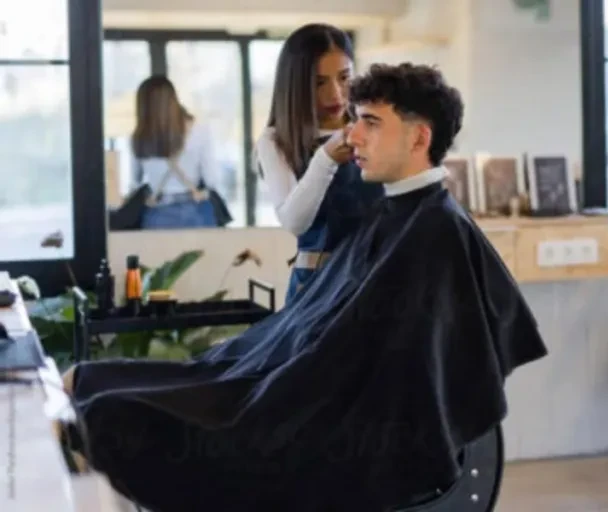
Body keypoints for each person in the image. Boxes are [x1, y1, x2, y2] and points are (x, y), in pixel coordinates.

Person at [61, 63, 548, 511]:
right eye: (354, 119)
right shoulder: (395, 215)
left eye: (371, 123)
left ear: (420, 137)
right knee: (90, 380)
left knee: (109, 412)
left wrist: (265, 385)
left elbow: (371, 376)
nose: (351, 135)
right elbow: (312, 337)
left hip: (311, 424)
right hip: (285, 388)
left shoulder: (436, 233)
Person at [254, 23, 383, 302]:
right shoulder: (276, 140)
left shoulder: (371, 127)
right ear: (296, 85)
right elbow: (294, 222)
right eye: (319, 83)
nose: (335, 94)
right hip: (317, 285)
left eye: (344, 77)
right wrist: (324, 160)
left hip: (376, 277)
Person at [131, 75, 222, 229]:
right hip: (196, 212)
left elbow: (134, 183)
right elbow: (212, 180)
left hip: (156, 215)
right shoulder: (200, 131)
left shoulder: (139, 138)